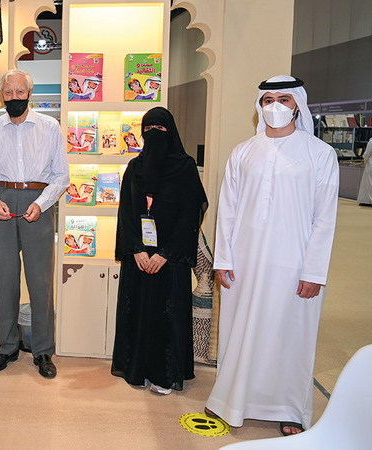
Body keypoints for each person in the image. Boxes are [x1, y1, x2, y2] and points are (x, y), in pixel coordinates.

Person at [205, 75, 339, 436]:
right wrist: (223, 259)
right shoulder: (243, 152)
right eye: (268, 100)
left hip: (294, 263)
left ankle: (288, 408)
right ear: (260, 105)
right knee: (239, 330)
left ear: (297, 105)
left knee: (290, 335)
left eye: (284, 99)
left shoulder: (319, 154)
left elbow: (325, 218)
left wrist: (314, 271)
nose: (275, 106)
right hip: (244, 262)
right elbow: (227, 210)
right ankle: (229, 399)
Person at [0, 69, 69, 379]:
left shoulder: (50, 127)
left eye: (19, 92)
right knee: (5, 280)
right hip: (2, 202)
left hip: (38, 203)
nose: (14, 97)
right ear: (1, 95)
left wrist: (41, 203)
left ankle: (43, 350)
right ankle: (7, 346)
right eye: (8, 92)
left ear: (29, 93)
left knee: (40, 281)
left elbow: (61, 176)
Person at [110, 107, 208, 395]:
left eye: (160, 129)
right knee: (138, 312)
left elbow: (189, 215)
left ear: (171, 132)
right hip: (139, 258)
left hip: (170, 259)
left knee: (166, 316)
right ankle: (137, 370)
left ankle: (164, 375)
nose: (153, 134)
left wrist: (165, 253)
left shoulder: (185, 167)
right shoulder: (135, 167)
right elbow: (126, 212)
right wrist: (137, 250)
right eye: (148, 129)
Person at [357, 139, 372, 206]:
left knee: (368, 183)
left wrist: (365, 161)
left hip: (370, 165)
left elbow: (366, 154)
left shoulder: (371, 142)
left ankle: (367, 200)